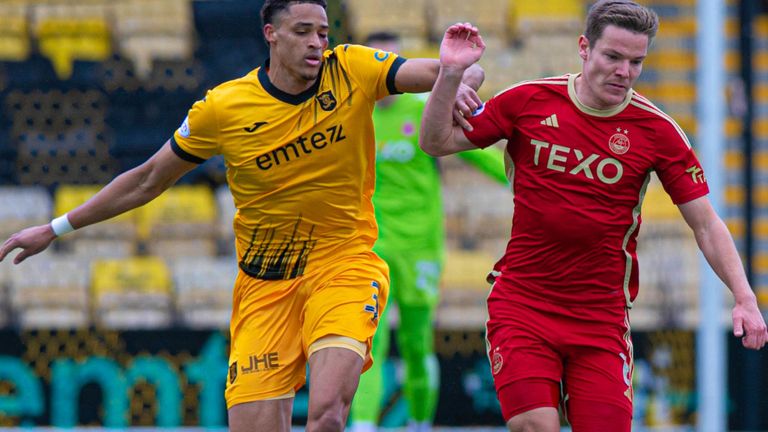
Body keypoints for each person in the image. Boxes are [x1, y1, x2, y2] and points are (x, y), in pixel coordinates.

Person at [0, 1, 486, 431]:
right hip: (265, 286)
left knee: (328, 413)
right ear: (271, 34)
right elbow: (148, 179)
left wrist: (457, 75)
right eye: (302, 31)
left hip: (344, 265)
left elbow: (443, 71)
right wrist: (56, 227)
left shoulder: (353, 69)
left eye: (322, 32)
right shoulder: (224, 107)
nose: (317, 43)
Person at [418, 1, 768, 431]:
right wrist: (450, 75)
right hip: (524, 304)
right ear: (584, 48)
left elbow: (706, 223)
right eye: (613, 57)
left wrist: (744, 298)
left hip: (600, 321)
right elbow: (436, 142)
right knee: (535, 425)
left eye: (636, 61)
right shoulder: (528, 100)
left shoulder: (657, 131)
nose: (624, 71)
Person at [349, 32, 507, 432]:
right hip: (371, 247)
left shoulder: (426, 108)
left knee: (417, 345)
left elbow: (478, 152)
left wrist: (522, 177)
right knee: (368, 344)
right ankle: (363, 426)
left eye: (395, 64)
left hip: (421, 245)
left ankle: (419, 424)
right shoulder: (355, 116)